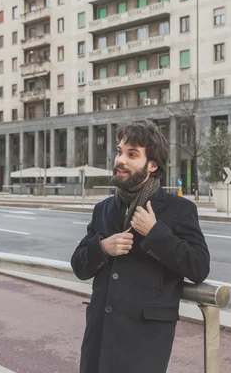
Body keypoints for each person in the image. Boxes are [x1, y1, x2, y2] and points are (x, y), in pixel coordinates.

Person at [71, 120, 210, 373]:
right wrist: (102, 247)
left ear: (152, 165)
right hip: (99, 335)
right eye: (119, 152)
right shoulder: (103, 209)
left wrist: (155, 232)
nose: (119, 160)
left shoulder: (179, 210)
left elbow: (199, 266)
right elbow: (79, 265)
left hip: (144, 341)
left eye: (131, 154)